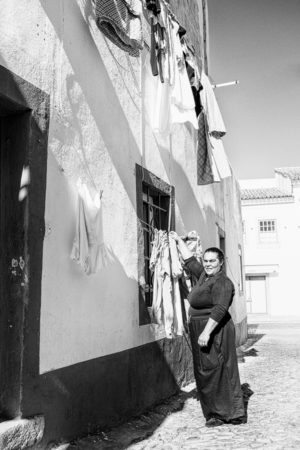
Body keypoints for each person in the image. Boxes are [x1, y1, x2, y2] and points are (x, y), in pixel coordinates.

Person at [170, 232, 248, 427]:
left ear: (221, 262)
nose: (208, 264)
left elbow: (220, 308)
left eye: (212, 261)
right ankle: (215, 411)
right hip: (201, 328)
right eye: (205, 260)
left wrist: (206, 332)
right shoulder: (204, 276)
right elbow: (190, 261)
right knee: (205, 369)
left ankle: (228, 413)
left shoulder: (222, 282)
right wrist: (179, 241)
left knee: (218, 368)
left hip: (215, 329)